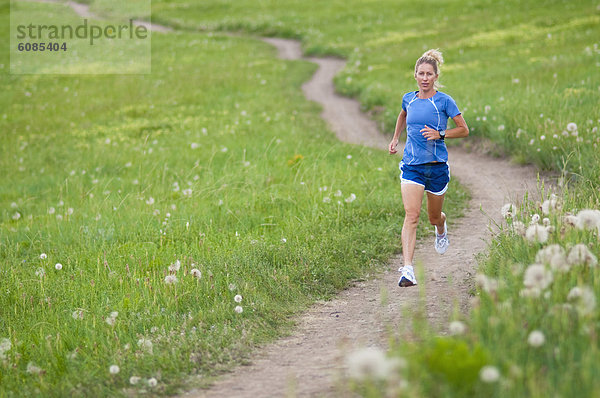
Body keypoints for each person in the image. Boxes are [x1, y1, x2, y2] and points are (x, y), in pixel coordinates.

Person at [388, 49, 469, 287]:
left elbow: (464, 129)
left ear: (435, 76)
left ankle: (441, 228)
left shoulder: (444, 101)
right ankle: (408, 270)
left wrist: (440, 133)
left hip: (436, 168)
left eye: (429, 74)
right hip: (412, 166)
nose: (424, 78)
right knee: (411, 216)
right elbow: (403, 115)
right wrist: (395, 139)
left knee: (433, 217)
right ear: (415, 75)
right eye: (421, 73)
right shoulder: (408, 98)